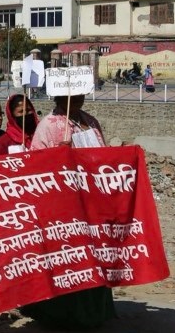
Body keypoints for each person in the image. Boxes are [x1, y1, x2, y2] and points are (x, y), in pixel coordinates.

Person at [26, 93, 114, 328]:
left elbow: (101, 152)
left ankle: (94, 311)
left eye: (80, 95)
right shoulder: (48, 125)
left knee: (94, 255)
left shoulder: (90, 121)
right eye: (72, 96)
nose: (78, 100)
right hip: (63, 203)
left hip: (90, 200)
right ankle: (62, 314)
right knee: (68, 257)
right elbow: (35, 163)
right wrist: (59, 155)